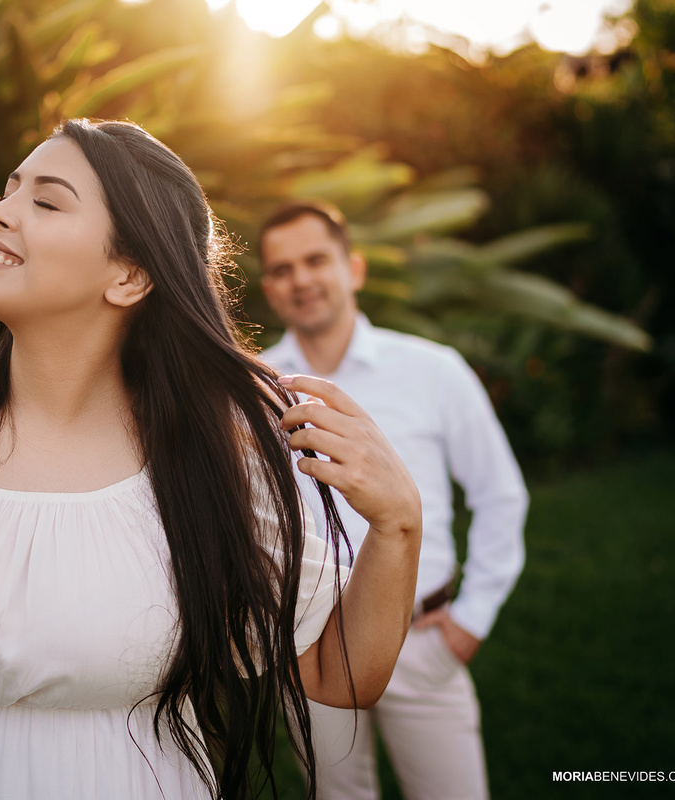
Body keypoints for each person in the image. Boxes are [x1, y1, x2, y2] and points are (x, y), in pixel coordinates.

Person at [0, 120, 423, 800]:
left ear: (129, 276)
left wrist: (398, 525)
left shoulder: (207, 458)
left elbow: (339, 673)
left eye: (46, 201)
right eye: (7, 192)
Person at [257, 200, 528, 800]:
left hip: (425, 641)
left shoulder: (435, 370)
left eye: (315, 260)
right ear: (269, 288)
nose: (300, 279)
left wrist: (471, 619)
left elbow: (500, 495)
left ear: (353, 268)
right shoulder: (252, 389)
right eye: (281, 269)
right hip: (308, 644)